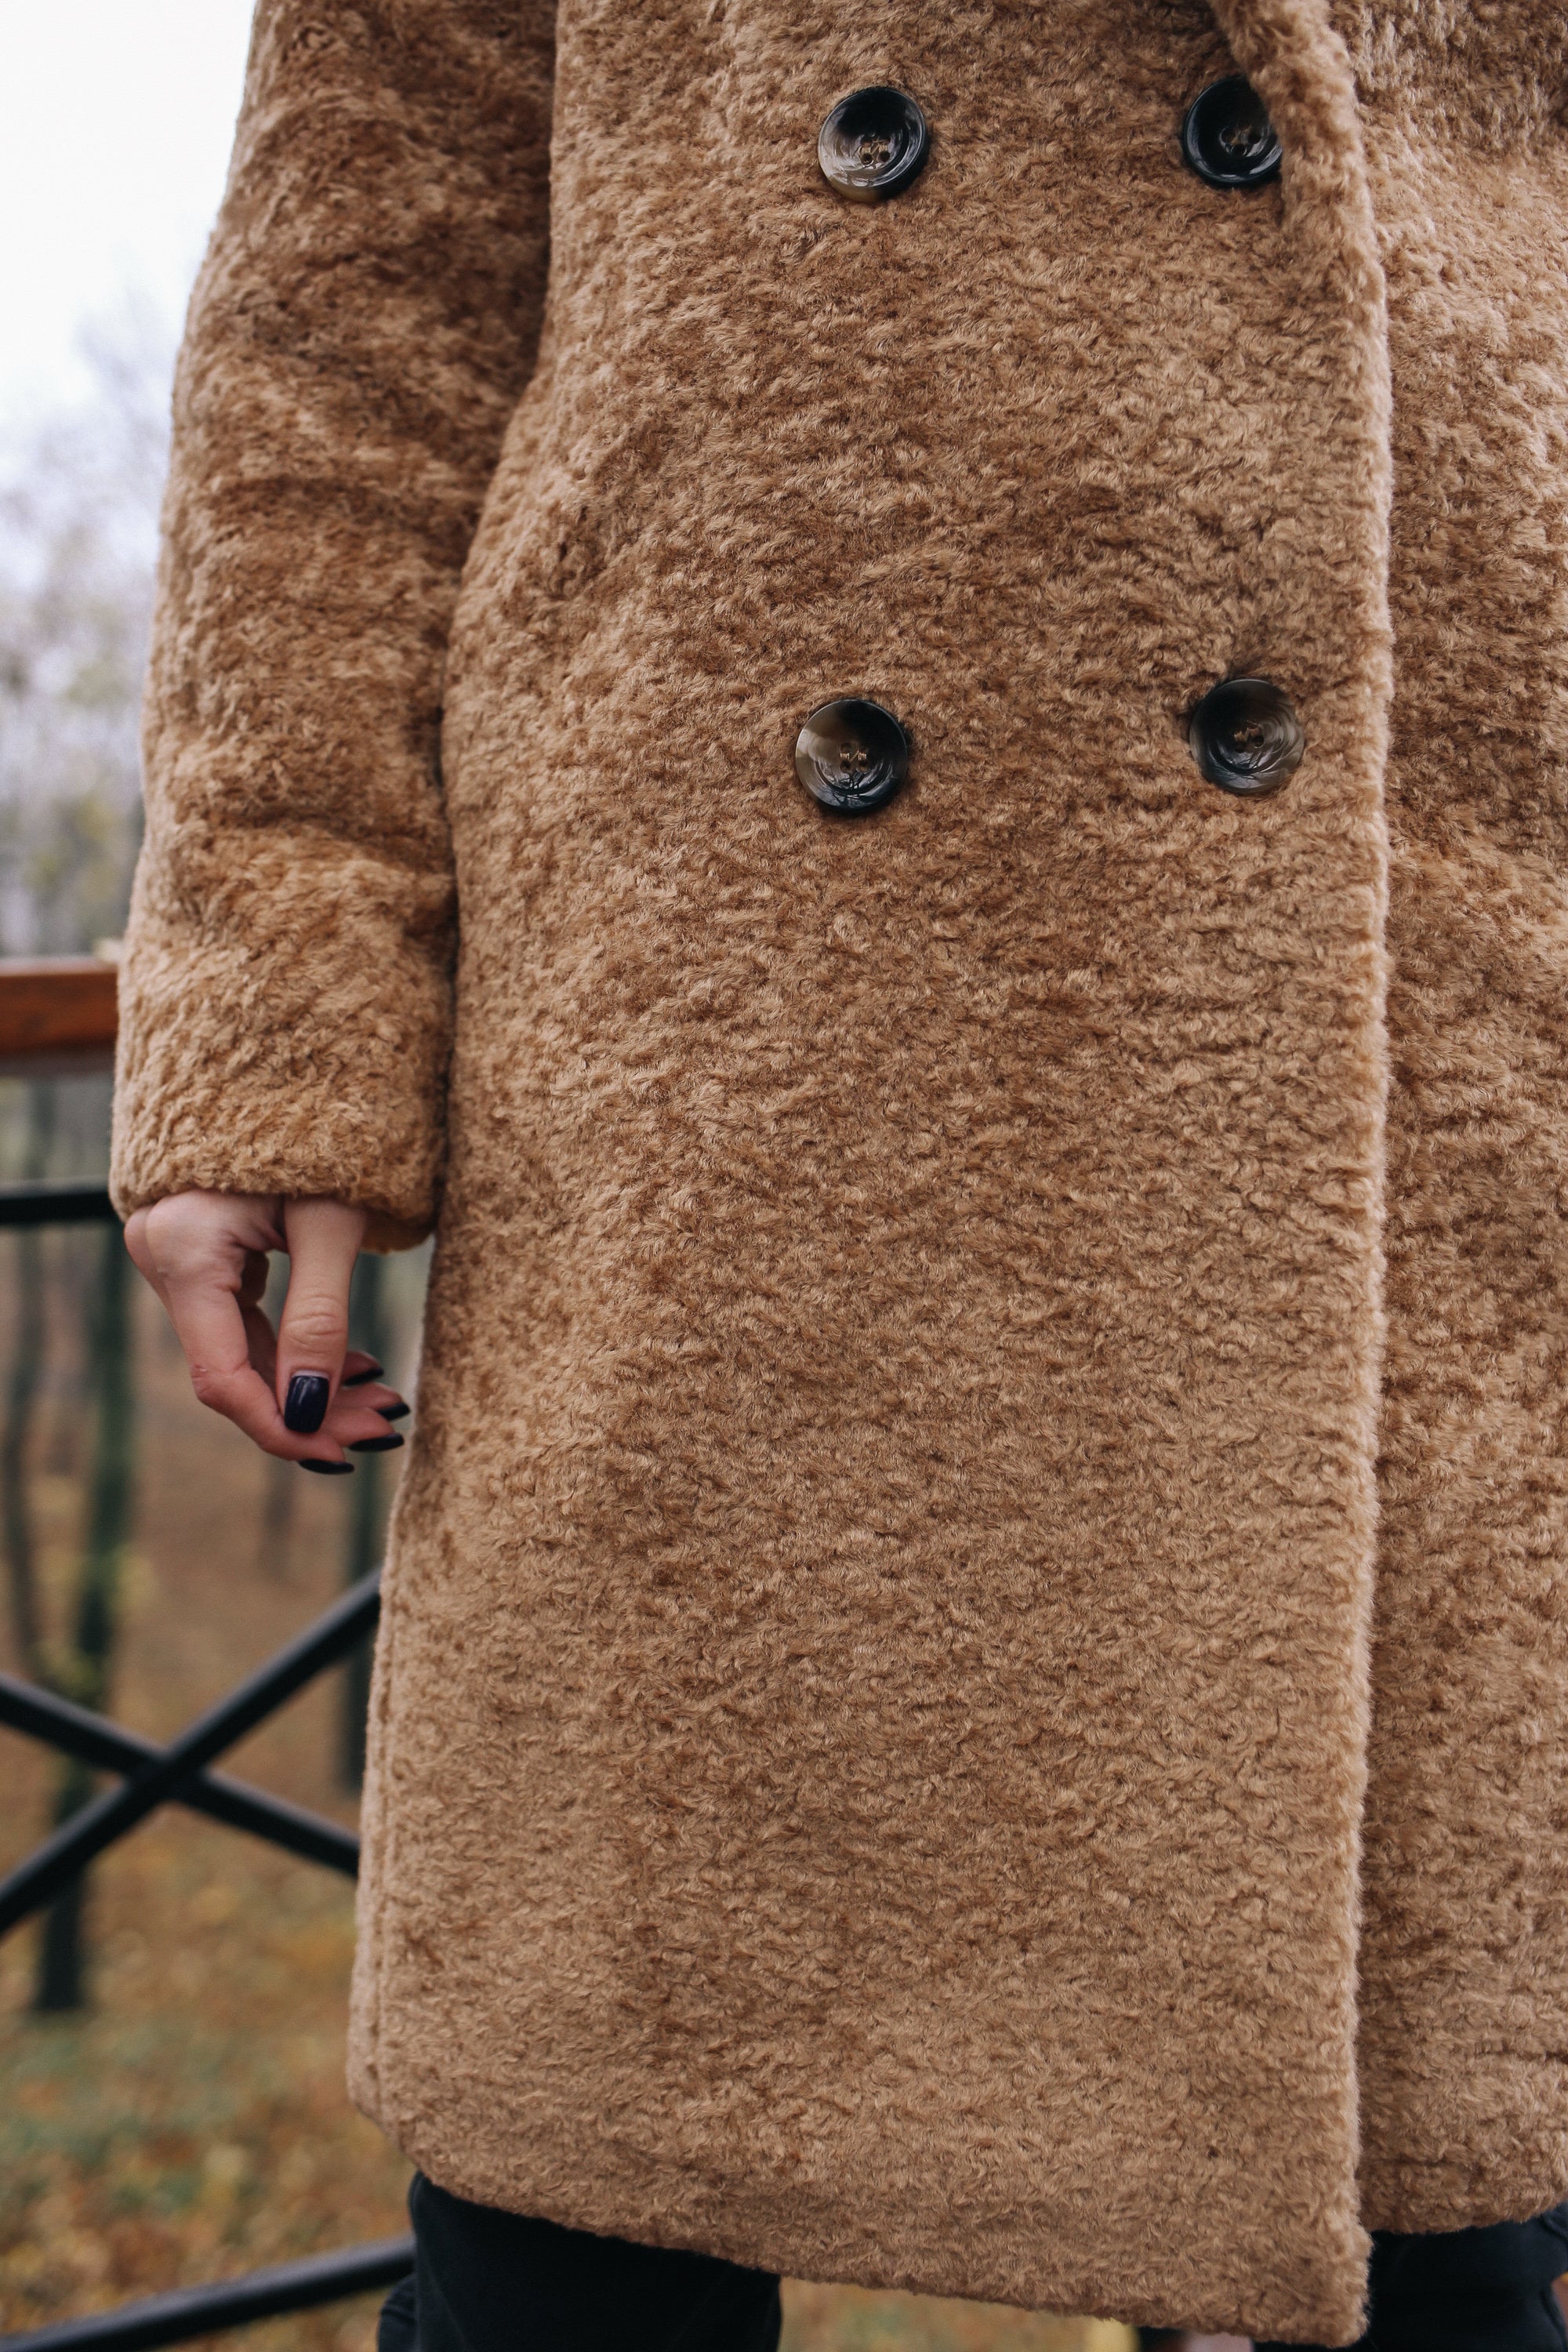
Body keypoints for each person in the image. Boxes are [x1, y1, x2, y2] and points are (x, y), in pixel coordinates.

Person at [112, 0, 1568, 2344]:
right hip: (714, 1032)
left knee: (1439, 2237)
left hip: (1426, 954)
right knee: (584, 2220)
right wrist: (277, 1009)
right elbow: (356, 318)